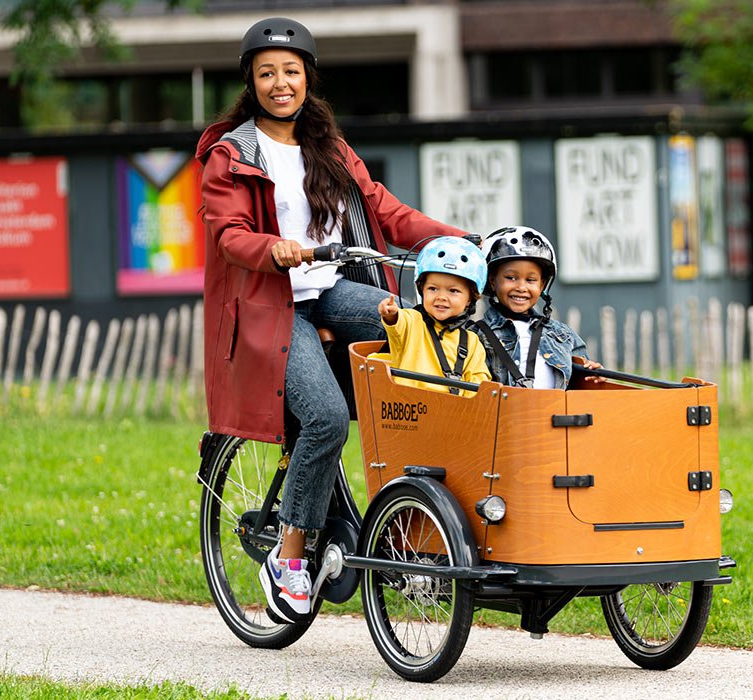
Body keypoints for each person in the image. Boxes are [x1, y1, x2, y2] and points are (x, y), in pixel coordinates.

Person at [196, 16, 467, 623]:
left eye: (291, 71)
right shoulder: (230, 154)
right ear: (251, 82)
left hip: (330, 289)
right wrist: (275, 248)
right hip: (273, 304)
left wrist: (460, 241)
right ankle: (289, 558)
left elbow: (387, 212)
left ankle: (410, 518)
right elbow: (229, 234)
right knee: (324, 418)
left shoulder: (330, 149)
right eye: (267, 72)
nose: (280, 82)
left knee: (417, 335)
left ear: (307, 78)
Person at [471, 226, 602, 389]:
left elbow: (580, 381)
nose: (521, 287)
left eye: (531, 280)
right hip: (505, 413)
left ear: (542, 285)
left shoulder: (562, 334)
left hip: (555, 413)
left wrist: (593, 374)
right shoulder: (475, 335)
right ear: (492, 281)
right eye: (511, 277)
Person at [377, 237, 491, 394]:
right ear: (421, 290)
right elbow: (399, 324)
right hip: (411, 410)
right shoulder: (413, 321)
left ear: (470, 299)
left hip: (452, 413)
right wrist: (392, 315)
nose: (441, 297)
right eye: (433, 289)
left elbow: (479, 382)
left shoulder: (472, 342)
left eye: (453, 291)